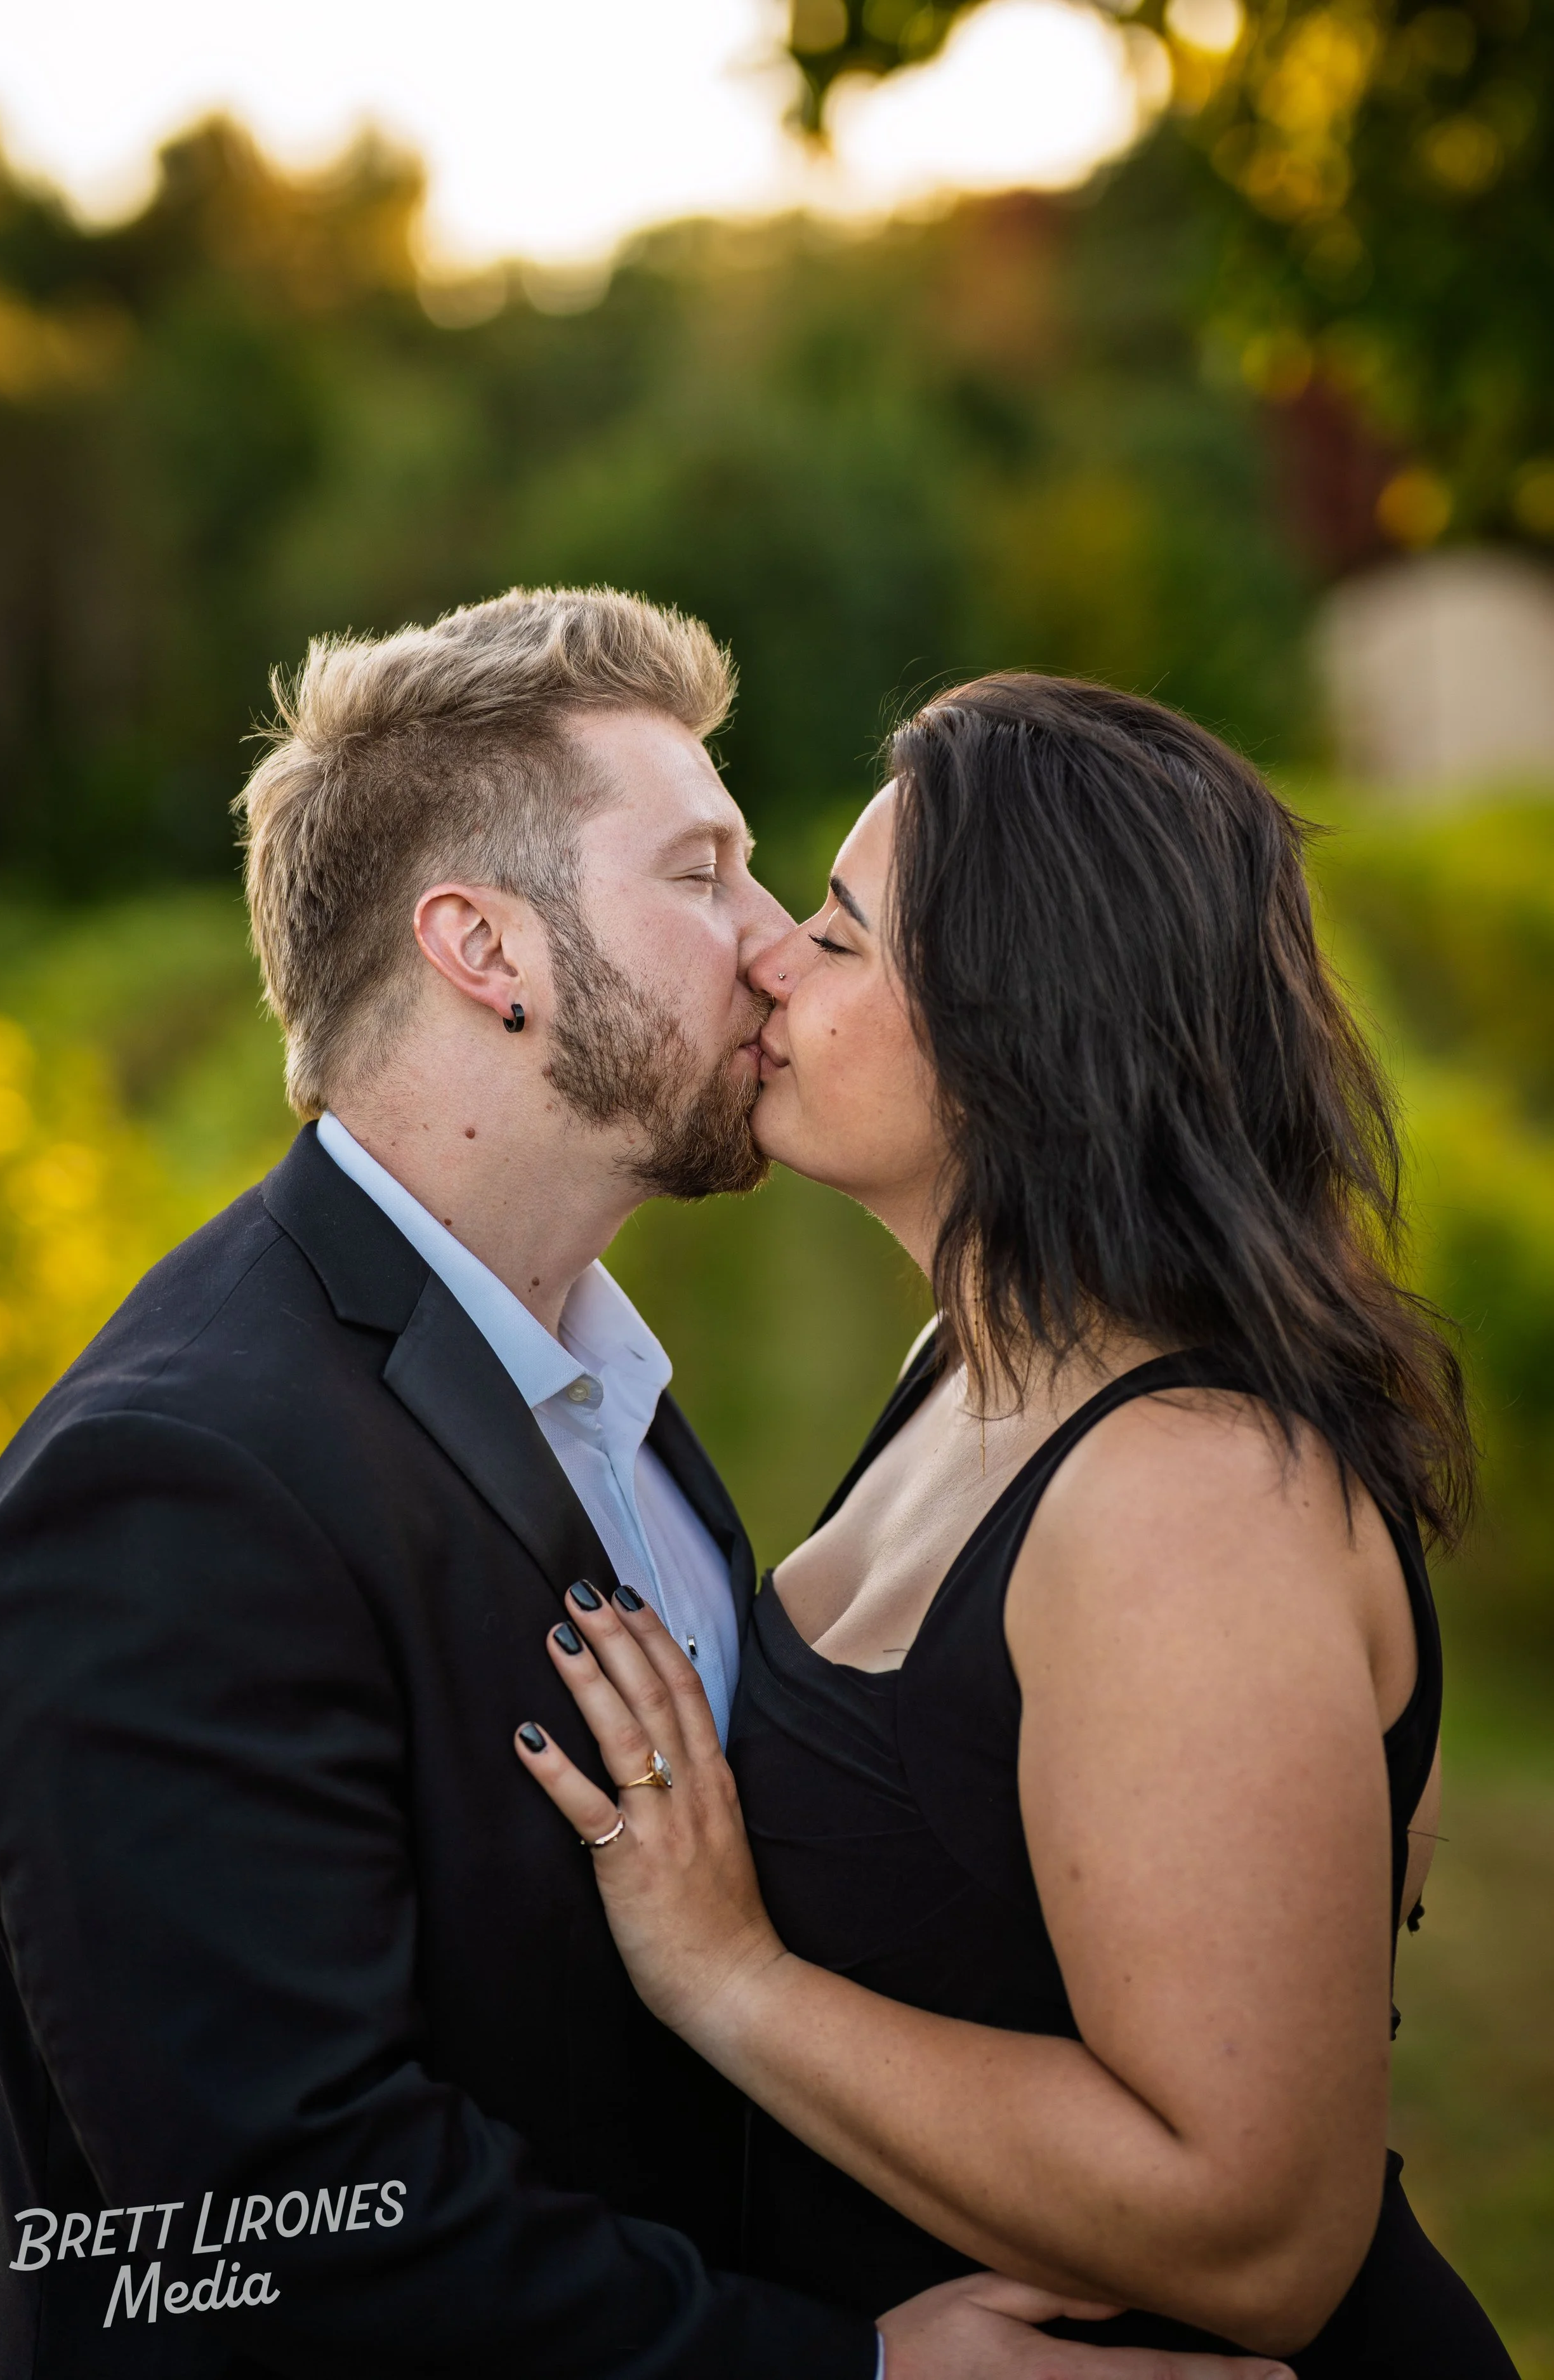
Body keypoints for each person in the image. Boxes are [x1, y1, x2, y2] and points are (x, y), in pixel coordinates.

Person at [0, 602, 1274, 2380]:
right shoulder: (176, 1488)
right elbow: (272, 2234)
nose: (770, 949)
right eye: (706, 871)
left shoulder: (588, 1372)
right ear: (485, 946)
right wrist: (852, 2374)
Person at [517, 673, 1520, 2376]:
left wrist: (728, 1975)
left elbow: (1258, 2231)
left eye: (836, 939)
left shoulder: (1183, 1501)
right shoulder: (969, 1366)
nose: (768, 955)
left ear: (1015, 1036)